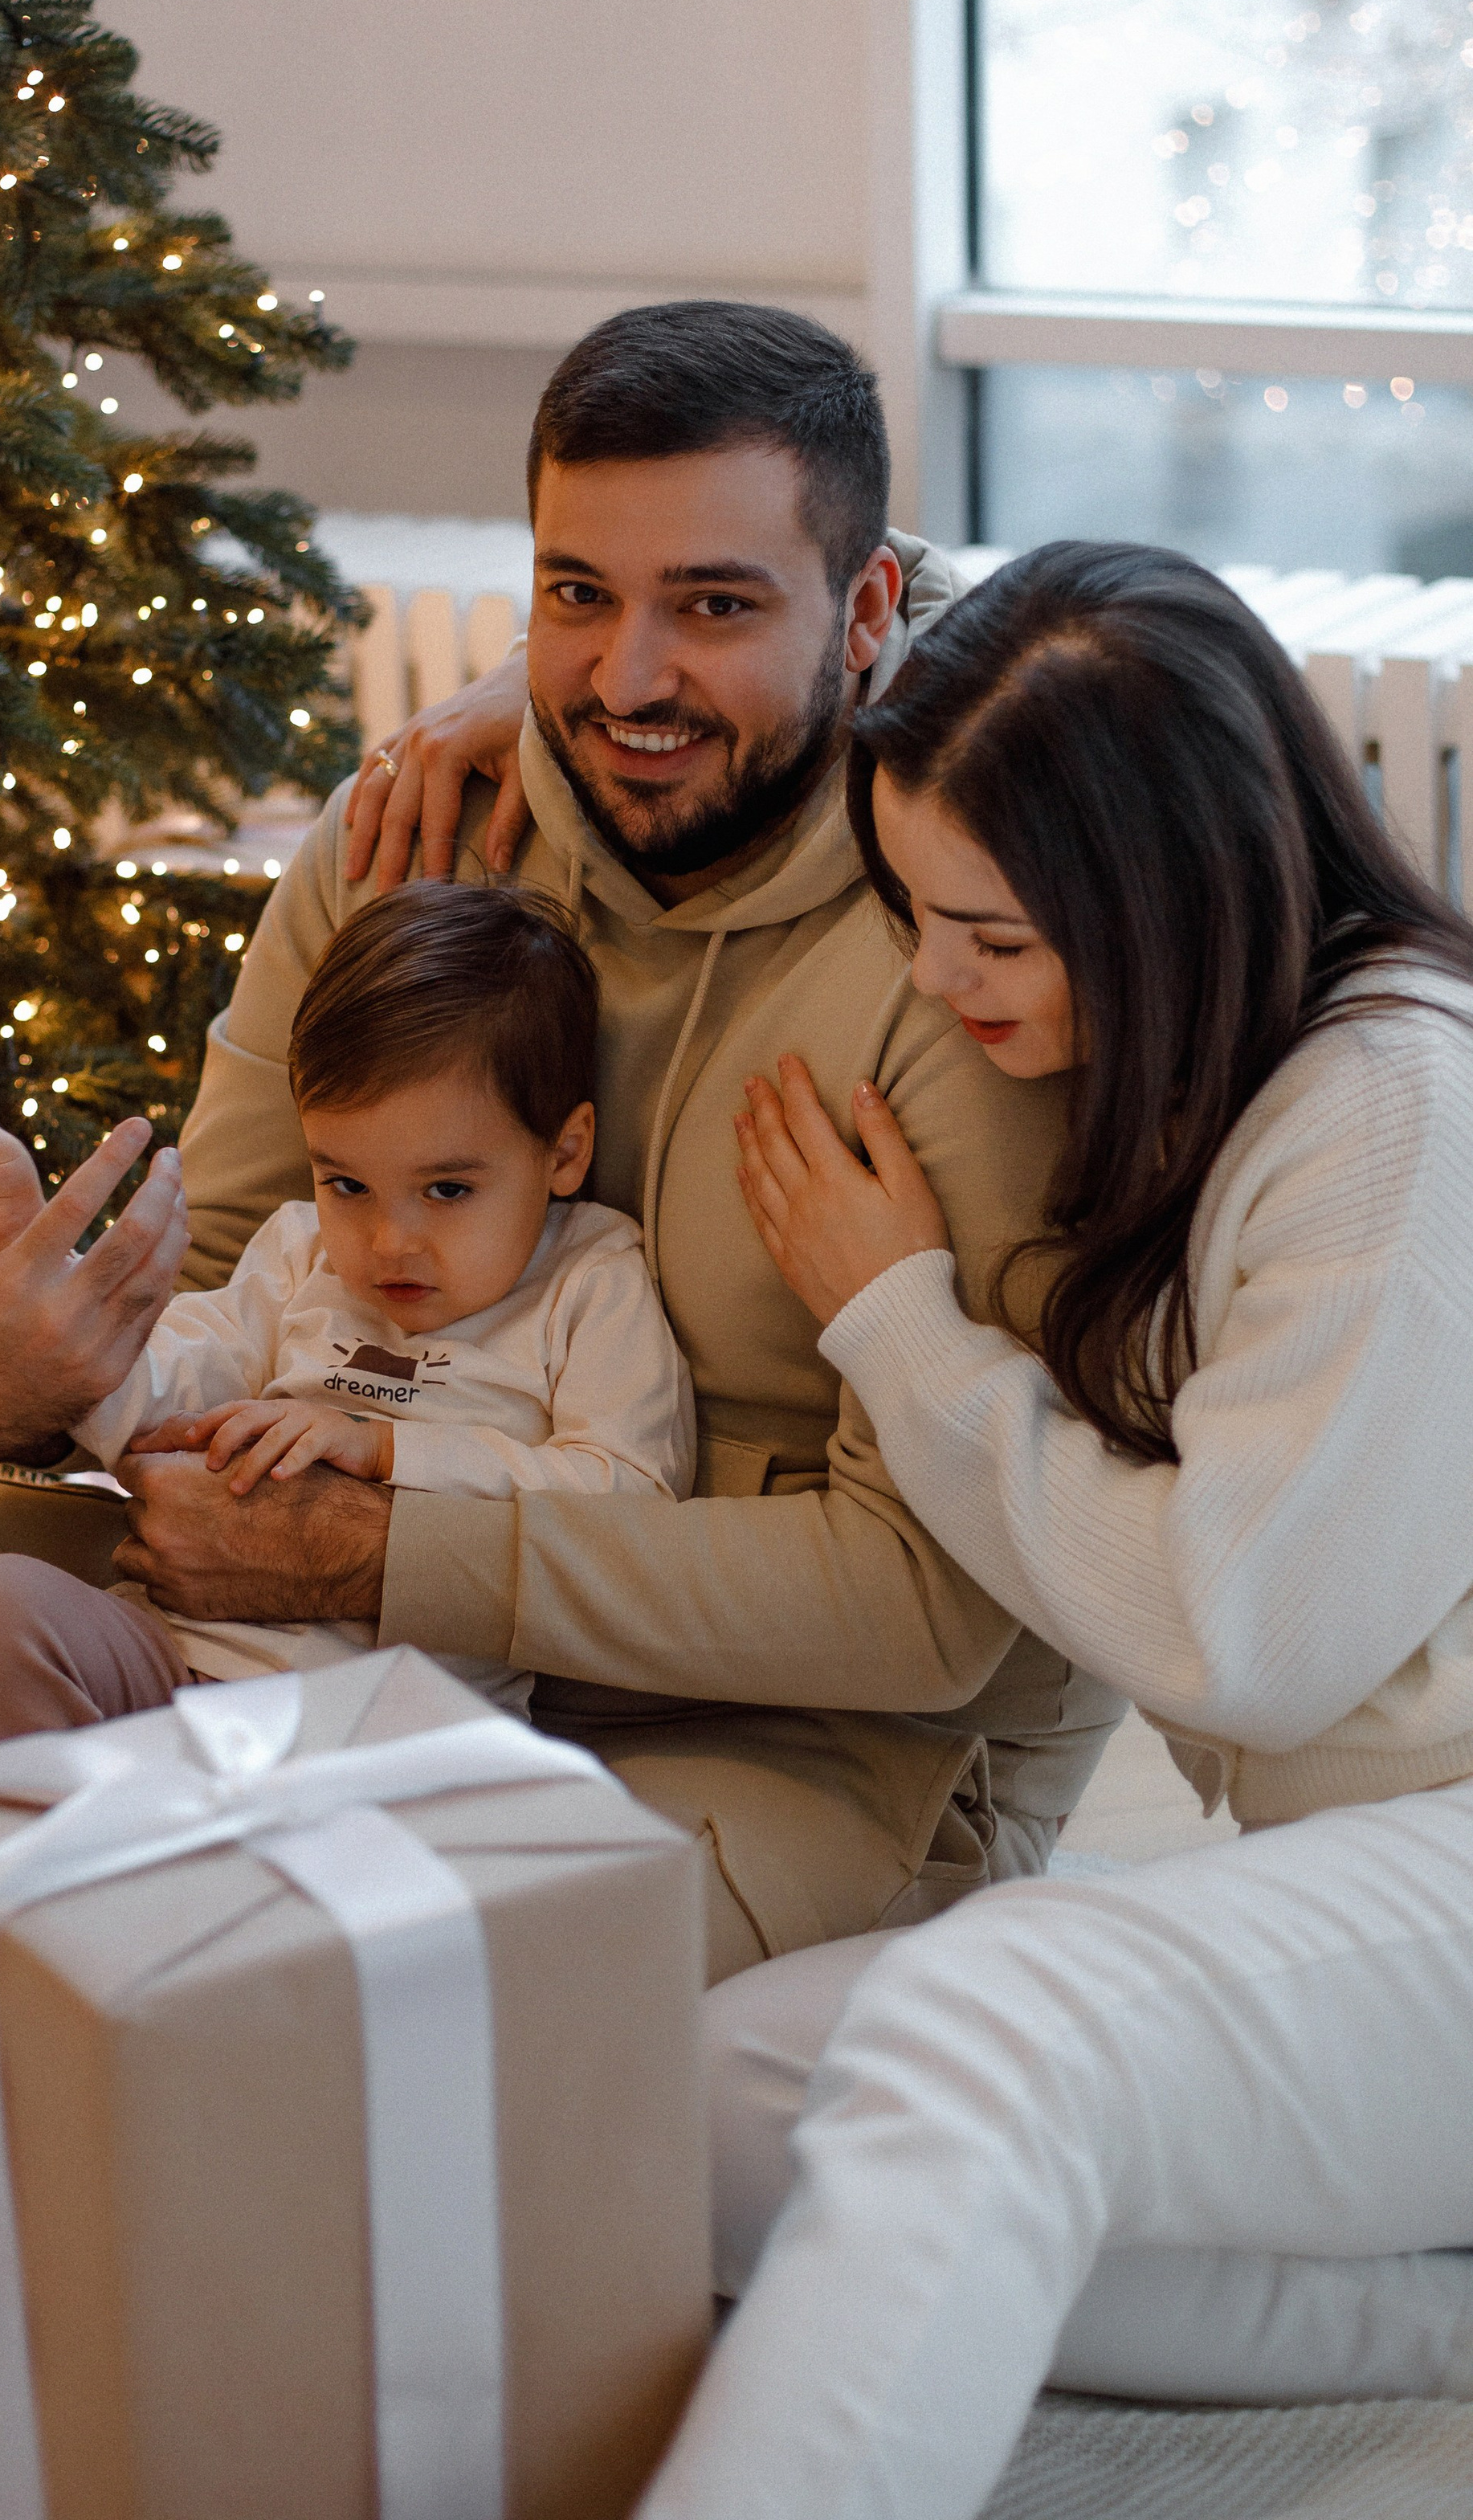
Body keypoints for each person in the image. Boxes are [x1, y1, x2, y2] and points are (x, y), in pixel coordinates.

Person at [0, 302, 1117, 2519]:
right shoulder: (424, 832)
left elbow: (934, 1622)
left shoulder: (963, 941)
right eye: (577, 596)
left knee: (326, 1996)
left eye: (717, 604)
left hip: (780, 1742)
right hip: (329, 1621)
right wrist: (24, 1373)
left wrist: (395, 1546)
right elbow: (217, 1291)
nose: (630, 678)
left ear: (869, 613)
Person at [632, 539, 1473, 2520]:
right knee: (688, 2108)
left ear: (1164, 896)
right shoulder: (1216, 1066)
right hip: (1356, 1884)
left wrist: (891, 1323)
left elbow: (1236, 1638)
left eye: (989, 937)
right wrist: (518, 716)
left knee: (985, 2016)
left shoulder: (1385, 1112)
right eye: (917, 913)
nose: (933, 979)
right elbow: (861, 577)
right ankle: (1428, 2320)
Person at [0, 878, 694, 1750]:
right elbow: (156, 1392)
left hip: (390, 1723)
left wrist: (389, 1449)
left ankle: (146, 1867)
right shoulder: (297, 1254)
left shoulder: (591, 1276)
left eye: (449, 1189)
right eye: (346, 1183)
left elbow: (630, 1506)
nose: (390, 1241)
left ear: (564, 1153)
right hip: (173, 1661)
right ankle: (46, 1872)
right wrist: (36, 1270)